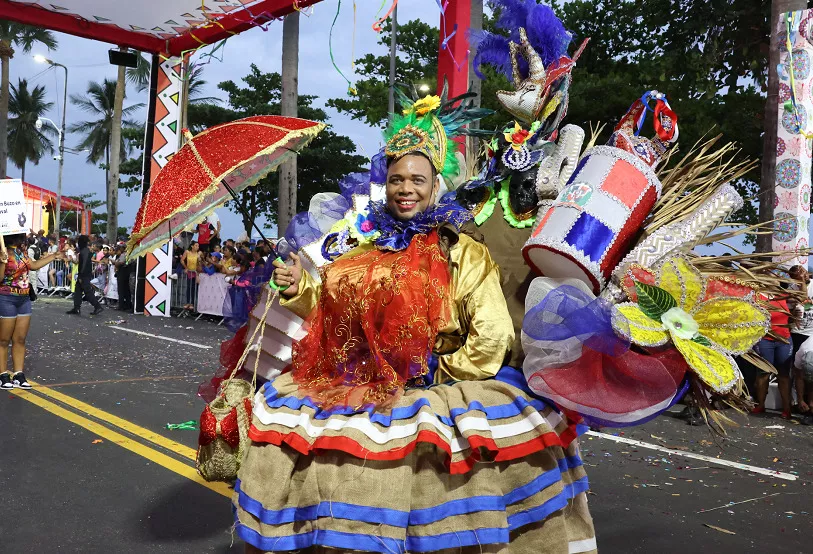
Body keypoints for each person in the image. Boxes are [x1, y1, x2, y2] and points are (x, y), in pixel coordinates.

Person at [233, 95, 595, 553]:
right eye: (397, 179)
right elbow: (331, 311)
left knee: (434, 501)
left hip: (437, 387)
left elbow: (493, 339)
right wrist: (296, 287)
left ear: (435, 186)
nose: (406, 189)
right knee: (310, 464)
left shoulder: (462, 251)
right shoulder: (363, 251)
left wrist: (424, 372)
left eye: (417, 180)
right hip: (362, 386)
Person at [0, 233, 65, 389]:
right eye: (21, 237)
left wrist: (53, 256)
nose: (24, 239)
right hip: (6, 297)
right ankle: (3, 375)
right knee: (3, 340)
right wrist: (2, 262)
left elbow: (33, 266)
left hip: (24, 299)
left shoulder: (21, 252)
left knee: (20, 339)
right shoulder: (2, 251)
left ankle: (18, 374)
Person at [752, 293, 793, 418]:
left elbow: (802, 298)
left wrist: (801, 280)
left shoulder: (782, 295)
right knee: (763, 373)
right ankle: (761, 405)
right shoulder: (756, 296)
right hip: (764, 340)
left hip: (784, 340)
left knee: (783, 375)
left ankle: (787, 408)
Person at [788, 265, 813, 415]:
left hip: (811, 333)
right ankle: (797, 401)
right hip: (797, 332)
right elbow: (793, 304)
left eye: (801, 275)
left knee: (810, 368)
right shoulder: (791, 287)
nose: (800, 278)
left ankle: (809, 402)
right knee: (796, 369)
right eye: (796, 277)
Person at [66, 235, 104, 316]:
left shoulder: (85, 251)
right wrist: (72, 259)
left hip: (84, 275)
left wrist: (81, 276)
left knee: (87, 292)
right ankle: (76, 308)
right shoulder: (84, 251)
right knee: (78, 291)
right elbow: (78, 262)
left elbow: (84, 264)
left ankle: (97, 306)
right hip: (84, 274)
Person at [181, 241, 201, 310]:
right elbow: (182, 260)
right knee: (188, 287)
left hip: (195, 272)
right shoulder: (187, 252)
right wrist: (186, 267)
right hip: (189, 271)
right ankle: (187, 302)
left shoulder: (198, 254)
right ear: (192, 246)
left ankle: (192, 303)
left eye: (198, 246)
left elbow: (199, 265)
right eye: (196, 245)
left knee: (193, 288)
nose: (197, 247)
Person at [113, 245, 134, 311]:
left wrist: (114, 262)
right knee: (127, 290)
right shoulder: (130, 255)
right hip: (127, 274)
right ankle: (128, 305)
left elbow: (120, 263)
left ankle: (121, 305)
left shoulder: (124, 255)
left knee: (121, 290)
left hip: (122, 274)